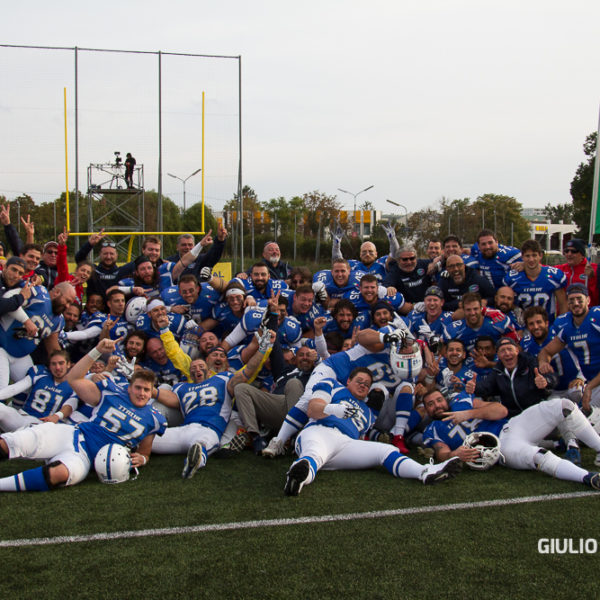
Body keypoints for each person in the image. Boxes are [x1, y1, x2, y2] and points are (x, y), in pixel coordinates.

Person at [0, 337, 167, 492]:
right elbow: (73, 378)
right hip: (72, 434)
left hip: (87, 458)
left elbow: (145, 451)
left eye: (146, 390)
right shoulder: (111, 393)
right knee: (11, 443)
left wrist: (143, 459)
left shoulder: (154, 418)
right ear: (130, 387)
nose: (141, 393)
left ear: (151, 391)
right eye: (138, 388)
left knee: (59, 475)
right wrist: (97, 351)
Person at [283, 368, 462, 496]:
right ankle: (298, 478)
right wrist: (334, 409)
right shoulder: (332, 385)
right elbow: (313, 409)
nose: (363, 385)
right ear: (348, 381)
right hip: (320, 431)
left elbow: (363, 436)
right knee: (314, 454)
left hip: (346, 444)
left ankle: (425, 472)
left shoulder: (368, 413)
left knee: (387, 451)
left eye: (367, 384)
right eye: (359, 381)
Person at [150, 328, 275, 478]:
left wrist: (263, 350)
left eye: (201, 367)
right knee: (146, 437)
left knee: (204, 442)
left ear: (209, 371)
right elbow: (165, 395)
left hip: (210, 427)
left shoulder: (224, 379)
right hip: (184, 427)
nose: (198, 369)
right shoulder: (183, 386)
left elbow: (248, 371)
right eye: (194, 368)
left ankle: (199, 458)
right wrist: (140, 384)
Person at [422, 387, 600, 490]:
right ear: (427, 410)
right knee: (539, 456)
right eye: (430, 404)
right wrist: (455, 453)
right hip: (502, 449)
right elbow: (442, 453)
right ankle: (587, 477)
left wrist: (468, 413)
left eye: (438, 400)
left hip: (513, 426)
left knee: (564, 406)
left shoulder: (462, 400)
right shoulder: (432, 429)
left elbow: (501, 411)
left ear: (445, 399)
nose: (437, 405)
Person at [538, 284, 600, 411]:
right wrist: (543, 362)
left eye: (579, 299)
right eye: (571, 300)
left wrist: (589, 386)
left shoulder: (597, 317)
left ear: (588, 300)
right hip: (592, 382)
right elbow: (546, 351)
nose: (575, 303)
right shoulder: (565, 325)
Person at [0, 350, 77, 431]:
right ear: (49, 366)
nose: (57, 367)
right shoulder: (40, 373)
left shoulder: (74, 384)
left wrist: (57, 416)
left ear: (68, 364)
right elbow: (15, 388)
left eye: (61, 363)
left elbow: (70, 406)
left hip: (44, 427)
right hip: (24, 418)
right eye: (53, 364)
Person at [503, 239, 567, 322]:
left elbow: (563, 304)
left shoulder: (553, 276)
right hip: (523, 325)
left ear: (540, 255)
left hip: (547, 325)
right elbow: (508, 304)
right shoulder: (512, 278)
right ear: (522, 257)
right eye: (527, 256)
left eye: (534, 255)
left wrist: (560, 324)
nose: (531, 259)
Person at [556, 238, 599, 307]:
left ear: (582, 255)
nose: (569, 254)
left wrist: (592, 278)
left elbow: (597, 296)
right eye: (566, 251)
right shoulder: (559, 269)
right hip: (566, 314)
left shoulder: (595, 269)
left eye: (574, 251)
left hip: (588, 314)